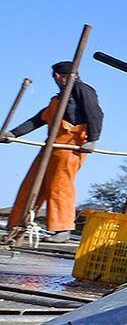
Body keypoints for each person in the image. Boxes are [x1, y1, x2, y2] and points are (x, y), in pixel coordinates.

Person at [2, 61, 104, 239]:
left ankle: (63, 228)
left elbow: (95, 113)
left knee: (60, 185)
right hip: (52, 145)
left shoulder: (82, 89)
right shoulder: (58, 99)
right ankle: (17, 225)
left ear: (58, 76)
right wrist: (13, 134)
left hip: (71, 146)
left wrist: (93, 139)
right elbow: (38, 119)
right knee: (32, 184)